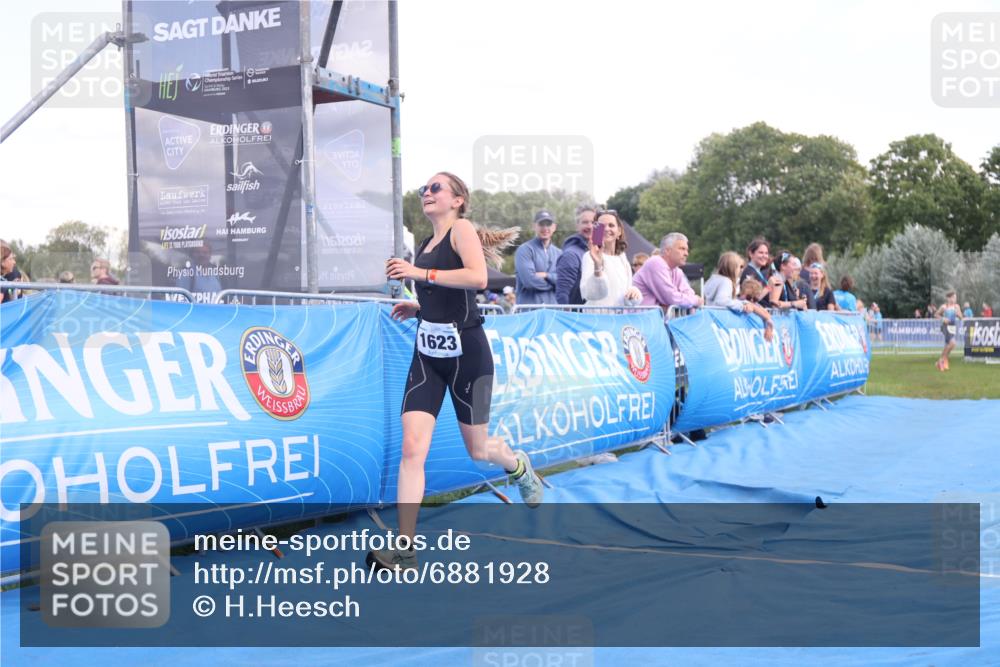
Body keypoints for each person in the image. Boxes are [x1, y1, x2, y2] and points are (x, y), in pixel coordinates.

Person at [378, 172, 543, 570]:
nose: (426, 194)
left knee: (478, 449)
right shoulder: (425, 243)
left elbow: (477, 278)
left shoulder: (462, 229)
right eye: (423, 189)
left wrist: (418, 275)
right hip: (428, 355)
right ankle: (405, 549)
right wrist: (419, 306)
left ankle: (518, 466)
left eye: (435, 188)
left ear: (458, 200)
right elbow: (445, 295)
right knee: (412, 448)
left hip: (469, 353)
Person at [703, 251, 775, 340]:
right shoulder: (726, 281)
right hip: (717, 323)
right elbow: (721, 301)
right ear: (732, 268)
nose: (741, 270)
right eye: (740, 267)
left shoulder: (713, 279)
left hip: (710, 322)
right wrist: (742, 305)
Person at [579, 210, 642, 307]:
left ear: (619, 231)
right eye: (602, 226)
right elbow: (589, 294)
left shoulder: (622, 259)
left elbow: (626, 298)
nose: (606, 229)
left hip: (618, 319)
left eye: (611, 225)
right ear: (596, 230)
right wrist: (597, 266)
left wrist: (633, 293)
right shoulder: (589, 256)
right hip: (597, 318)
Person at [633, 232, 703, 314]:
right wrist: (695, 300)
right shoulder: (656, 263)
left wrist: (688, 300)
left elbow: (688, 293)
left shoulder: (677, 270)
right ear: (667, 251)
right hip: (639, 321)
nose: (686, 254)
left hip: (652, 320)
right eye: (682, 249)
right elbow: (671, 298)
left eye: (687, 250)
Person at [514, 210, 561, 305]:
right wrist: (554, 283)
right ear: (534, 226)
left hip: (553, 312)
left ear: (554, 227)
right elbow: (529, 281)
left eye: (548, 224)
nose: (545, 228)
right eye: (541, 224)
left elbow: (565, 280)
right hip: (529, 313)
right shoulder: (524, 250)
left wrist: (546, 275)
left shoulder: (559, 253)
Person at [554, 205, 595, 305]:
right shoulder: (571, 255)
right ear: (577, 226)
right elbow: (562, 294)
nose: (590, 226)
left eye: (594, 222)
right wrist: (568, 318)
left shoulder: (601, 251)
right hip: (579, 317)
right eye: (585, 222)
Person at [739, 237, 781, 308]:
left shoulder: (758, 272)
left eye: (766, 253)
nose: (764, 256)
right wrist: (768, 286)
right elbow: (750, 300)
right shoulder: (749, 272)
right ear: (751, 254)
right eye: (761, 253)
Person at [935, 291, 963, 371]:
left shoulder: (957, 306)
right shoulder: (944, 307)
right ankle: (942, 360)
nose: (955, 299)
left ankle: (941, 361)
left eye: (955, 297)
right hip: (945, 327)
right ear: (949, 298)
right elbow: (936, 315)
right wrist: (943, 319)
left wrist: (958, 314)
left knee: (948, 345)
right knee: (953, 343)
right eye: (954, 297)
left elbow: (961, 317)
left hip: (953, 327)